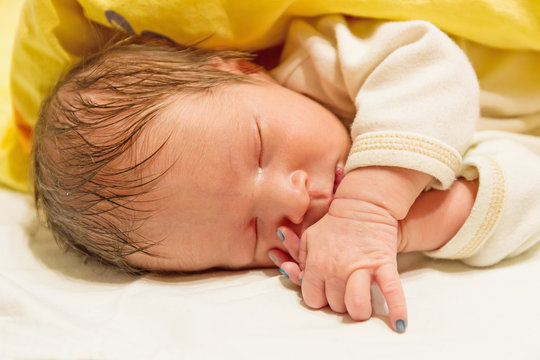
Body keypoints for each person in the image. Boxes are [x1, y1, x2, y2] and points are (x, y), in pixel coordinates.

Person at [32, 15, 540, 333]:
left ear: (246, 72)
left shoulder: (322, 66)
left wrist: (370, 206)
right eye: (254, 231)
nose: (291, 198)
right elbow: (526, 189)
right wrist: (407, 228)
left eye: (259, 149)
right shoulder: (348, 239)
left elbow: (431, 64)